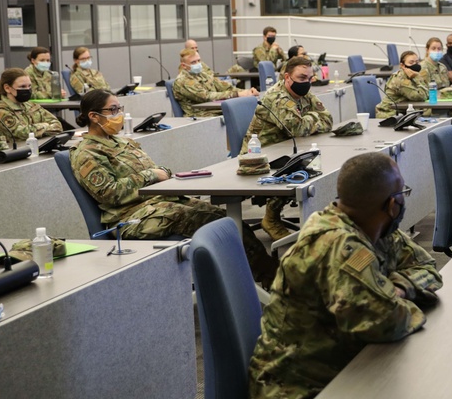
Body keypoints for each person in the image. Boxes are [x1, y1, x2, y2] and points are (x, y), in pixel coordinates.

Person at [246, 152, 442, 399]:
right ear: (392, 204)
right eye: (403, 193)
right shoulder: (339, 245)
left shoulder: (374, 227)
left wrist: (397, 288)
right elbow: (388, 322)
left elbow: (427, 267)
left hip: (342, 372)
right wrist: (395, 299)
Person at [70, 89, 277, 282]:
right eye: (112, 110)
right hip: (130, 217)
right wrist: (151, 175)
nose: (118, 114)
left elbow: (158, 169)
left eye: (119, 108)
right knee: (208, 221)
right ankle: (265, 277)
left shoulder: (121, 142)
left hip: (158, 202)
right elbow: (109, 193)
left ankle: (256, 274)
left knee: (228, 220)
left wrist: (159, 173)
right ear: (94, 116)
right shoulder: (87, 153)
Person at [241, 56, 334, 240]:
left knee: (314, 158)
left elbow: (329, 120)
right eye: (301, 78)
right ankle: (271, 218)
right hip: (261, 155)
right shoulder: (277, 98)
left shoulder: (303, 93)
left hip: (287, 148)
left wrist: (309, 121)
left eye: (309, 78)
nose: (306, 83)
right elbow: (298, 128)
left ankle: (317, 216)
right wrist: (314, 119)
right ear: (287, 77)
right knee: (303, 163)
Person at [173, 48, 258, 117]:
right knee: (240, 112)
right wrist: (237, 94)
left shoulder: (202, 74)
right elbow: (207, 96)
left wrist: (246, 92)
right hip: (199, 114)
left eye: (199, 60)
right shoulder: (183, 81)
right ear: (184, 65)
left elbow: (222, 85)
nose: (198, 64)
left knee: (250, 108)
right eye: (193, 62)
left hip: (213, 108)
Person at [0, 68, 63, 141]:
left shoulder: (30, 105)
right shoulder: (0, 111)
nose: (27, 89)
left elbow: (57, 124)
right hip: (16, 151)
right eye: (22, 86)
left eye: (29, 86)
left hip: (37, 146)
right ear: (7, 88)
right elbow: (21, 134)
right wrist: (46, 125)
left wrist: (38, 130)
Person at [375, 51, 429, 119]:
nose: (415, 65)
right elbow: (421, 97)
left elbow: (427, 93)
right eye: (411, 62)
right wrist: (418, 77)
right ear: (402, 65)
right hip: (388, 114)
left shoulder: (411, 76)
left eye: (417, 62)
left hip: (402, 112)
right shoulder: (400, 79)